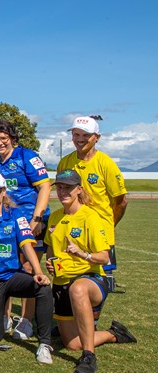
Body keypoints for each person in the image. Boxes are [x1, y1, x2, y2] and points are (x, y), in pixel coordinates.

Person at [44, 169, 137, 373]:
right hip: (61, 283)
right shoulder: (55, 217)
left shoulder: (90, 217)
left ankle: (88, 356)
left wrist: (82, 254)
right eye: (60, 187)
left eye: (68, 188)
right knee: (72, 344)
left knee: (78, 289)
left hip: (90, 279)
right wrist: (51, 263)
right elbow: (50, 248)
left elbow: (104, 257)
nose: (63, 192)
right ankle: (114, 333)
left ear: (79, 190)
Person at [0, 172, 55, 364]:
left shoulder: (16, 215)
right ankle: (1, 320)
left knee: (43, 288)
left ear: (3, 191)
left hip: (12, 276)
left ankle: (44, 344)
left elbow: (26, 245)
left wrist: (39, 272)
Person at [0, 119, 51, 339]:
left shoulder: (27, 156)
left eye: (4, 138)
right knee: (4, 268)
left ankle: (26, 321)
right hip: (6, 224)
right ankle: (5, 316)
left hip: (31, 221)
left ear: (13, 139)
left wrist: (37, 218)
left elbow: (45, 186)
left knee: (28, 268)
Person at [56, 116, 128, 282]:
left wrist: (109, 224)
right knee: (70, 276)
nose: (80, 139)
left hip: (99, 231)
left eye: (86, 135)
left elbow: (121, 200)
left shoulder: (106, 163)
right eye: (76, 134)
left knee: (102, 278)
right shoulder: (65, 162)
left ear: (97, 137)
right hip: (73, 229)